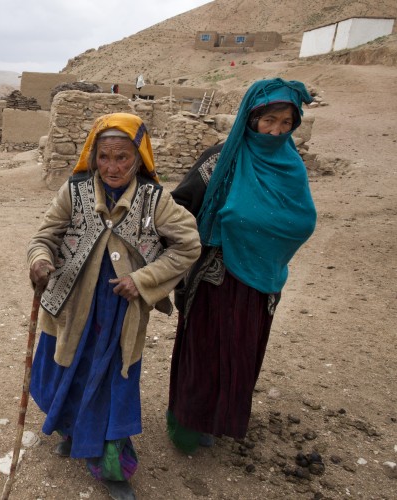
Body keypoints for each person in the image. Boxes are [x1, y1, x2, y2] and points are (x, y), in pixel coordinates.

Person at [27, 112, 201, 499]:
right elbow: (45, 235)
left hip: (119, 313)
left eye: (122, 157)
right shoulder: (74, 191)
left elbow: (189, 244)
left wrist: (142, 280)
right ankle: (75, 435)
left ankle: (113, 469)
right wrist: (40, 261)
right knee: (69, 371)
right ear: (93, 155)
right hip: (72, 307)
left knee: (110, 383)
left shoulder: (155, 200)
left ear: (139, 157)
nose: (112, 166)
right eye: (104, 156)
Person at [166, 78, 317, 453]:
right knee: (204, 353)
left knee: (241, 353)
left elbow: (300, 218)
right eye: (269, 120)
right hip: (216, 277)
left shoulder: (291, 165)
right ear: (251, 118)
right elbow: (179, 207)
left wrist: (270, 236)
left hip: (261, 281)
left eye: (285, 122)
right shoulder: (222, 160)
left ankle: (218, 421)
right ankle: (185, 427)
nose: (276, 130)